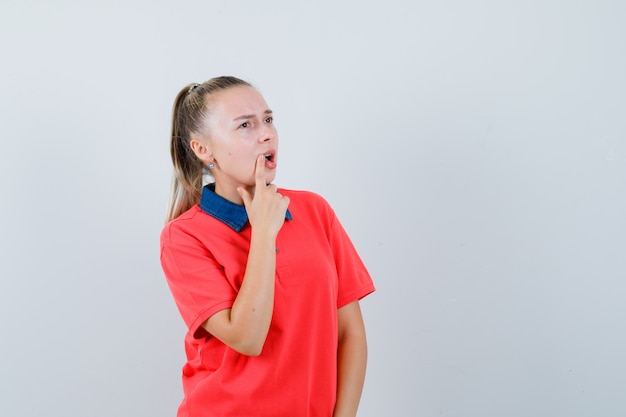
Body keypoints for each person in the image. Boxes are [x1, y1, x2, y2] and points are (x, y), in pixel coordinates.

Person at [160, 76, 375, 417]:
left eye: (268, 119)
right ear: (203, 149)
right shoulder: (184, 237)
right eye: (245, 125)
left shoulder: (315, 211)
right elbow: (247, 338)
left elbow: (350, 333)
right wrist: (263, 231)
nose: (266, 134)